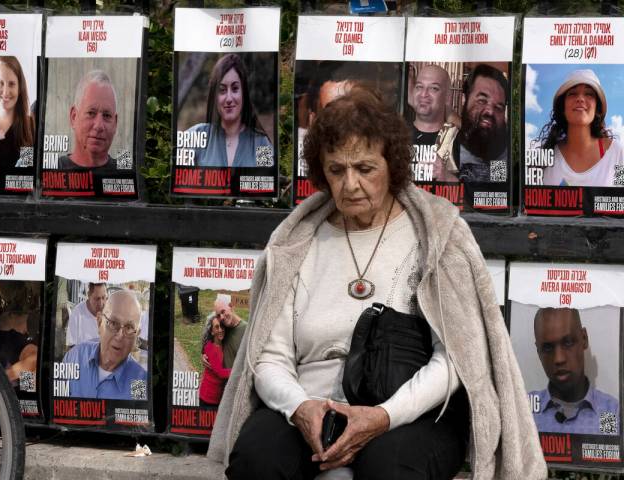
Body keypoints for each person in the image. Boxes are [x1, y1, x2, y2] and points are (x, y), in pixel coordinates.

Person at [208, 88, 546, 479]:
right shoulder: (296, 242)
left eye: (365, 168)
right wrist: (302, 409)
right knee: (257, 459)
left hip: (411, 412)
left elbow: (456, 357)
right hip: (309, 406)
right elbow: (268, 356)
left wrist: (383, 416)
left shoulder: (436, 237)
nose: (350, 184)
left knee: (391, 468)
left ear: (393, 164)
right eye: (336, 170)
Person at [529, 307, 619, 435]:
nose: (558, 359)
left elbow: (610, 448)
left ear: (584, 339)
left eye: (568, 342)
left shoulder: (609, 410)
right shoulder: (525, 409)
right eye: (548, 348)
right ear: (538, 352)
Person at [186, 53, 273, 168]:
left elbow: (267, 183)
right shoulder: (195, 135)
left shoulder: (261, 144)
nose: (229, 98)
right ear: (215, 95)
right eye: (222, 90)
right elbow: (179, 181)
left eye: (235, 89)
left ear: (244, 93)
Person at [540, 69, 624, 187]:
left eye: (589, 94)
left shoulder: (617, 153)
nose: (580, 98)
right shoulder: (546, 157)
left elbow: (621, 198)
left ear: (597, 108)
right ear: (562, 107)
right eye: (572, 93)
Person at [63, 290, 147, 400]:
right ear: (99, 322)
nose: (119, 335)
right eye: (112, 323)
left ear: (137, 335)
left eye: (129, 327)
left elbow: (137, 412)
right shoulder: (74, 358)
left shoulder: (140, 381)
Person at [0, 56, 35, 184]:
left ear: (20, 87)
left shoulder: (30, 126)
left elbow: (27, 177)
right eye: (1, 83)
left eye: (11, 84)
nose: (5, 92)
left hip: (19, 202)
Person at [456, 64, 509, 183]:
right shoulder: (444, 143)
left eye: (498, 107)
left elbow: (496, 188)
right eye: (482, 101)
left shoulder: (504, 152)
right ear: (464, 99)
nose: (490, 111)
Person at [58, 70, 119, 173]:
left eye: (107, 115)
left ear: (115, 123)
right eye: (91, 113)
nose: (99, 126)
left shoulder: (126, 172)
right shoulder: (52, 169)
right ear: (74, 117)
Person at [408, 64, 459, 181]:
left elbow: (480, 191)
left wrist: (447, 178)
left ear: (447, 97)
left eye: (434, 88)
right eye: (419, 87)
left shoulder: (459, 139)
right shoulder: (396, 135)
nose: (423, 94)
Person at [199, 314, 231, 407]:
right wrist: (238, 369)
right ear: (212, 332)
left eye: (221, 326)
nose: (220, 330)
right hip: (208, 398)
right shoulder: (209, 348)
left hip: (218, 397)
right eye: (217, 327)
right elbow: (220, 373)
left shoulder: (223, 344)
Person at [65, 282, 108, 348]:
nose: (101, 303)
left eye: (104, 297)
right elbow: (71, 347)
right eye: (97, 299)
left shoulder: (110, 313)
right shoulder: (77, 313)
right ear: (89, 295)